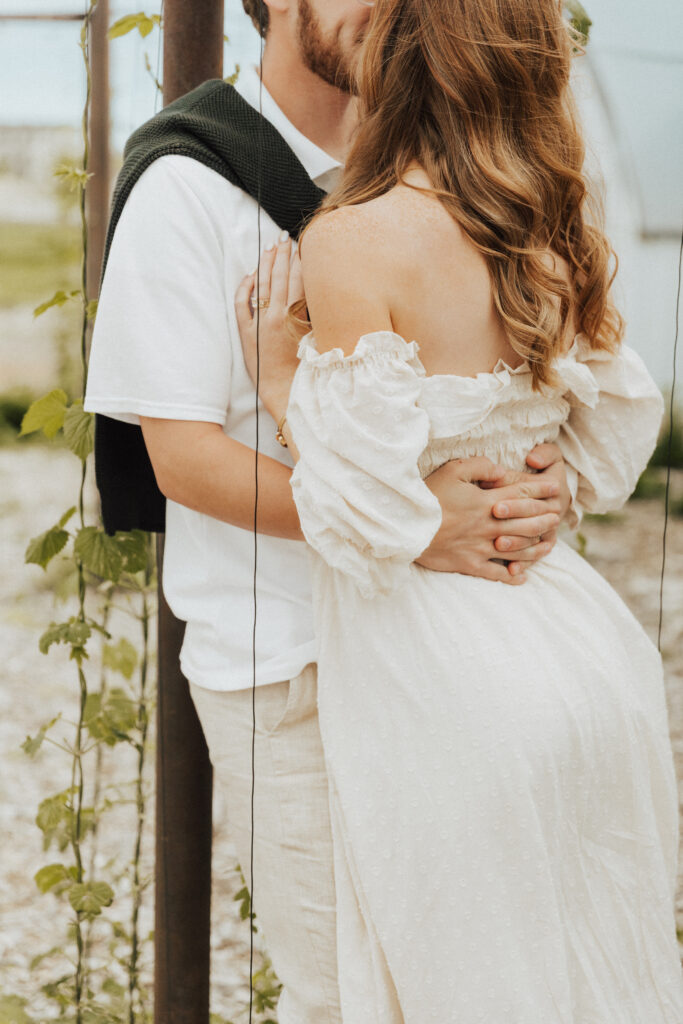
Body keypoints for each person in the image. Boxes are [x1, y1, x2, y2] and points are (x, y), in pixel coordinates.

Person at [83, 0, 653, 1020]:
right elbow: (180, 459)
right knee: (351, 995)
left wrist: (542, 478)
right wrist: (417, 520)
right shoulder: (188, 181)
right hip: (288, 663)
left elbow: (541, 394)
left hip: (462, 660)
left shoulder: (469, 183)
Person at [233, 0, 683, 1020]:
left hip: (440, 666)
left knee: (458, 979)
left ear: (395, 61)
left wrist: (273, 383)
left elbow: (359, 502)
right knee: (587, 970)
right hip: (576, 641)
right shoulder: (551, 234)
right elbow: (603, 445)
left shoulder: (347, 240)